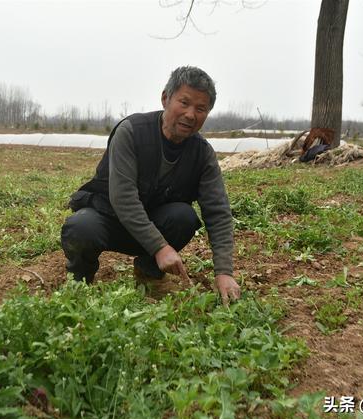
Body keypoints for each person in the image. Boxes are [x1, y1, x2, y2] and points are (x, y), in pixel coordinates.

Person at [60, 66, 240, 305]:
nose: (190, 114)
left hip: (153, 225)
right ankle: (79, 281)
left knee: (183, 217)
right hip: (110, 220)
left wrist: (224, 272)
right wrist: (161, 248)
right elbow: (123, 199)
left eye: (200, 108)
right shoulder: (132, 132)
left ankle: (148, 273)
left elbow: (218, 212)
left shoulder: (202, 153)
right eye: (184, 103)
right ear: (166, 98)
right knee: (80, 226)